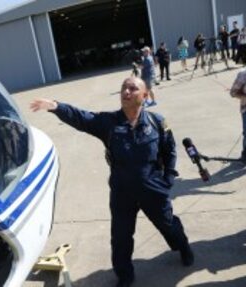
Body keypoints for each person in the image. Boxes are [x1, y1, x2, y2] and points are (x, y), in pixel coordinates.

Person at [30, 77, 194, 287]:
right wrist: (55, 106)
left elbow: (169, 149)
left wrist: (169, 177)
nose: (126, 91)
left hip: (153, 189)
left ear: (144, 95)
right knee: (121, 238)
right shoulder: (108, 122)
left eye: (133, 88)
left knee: (169, 225)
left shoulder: (157, 122)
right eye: (123, 87)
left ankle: (183, 247)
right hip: (122, 192)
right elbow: (82, 118)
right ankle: (125, 275)